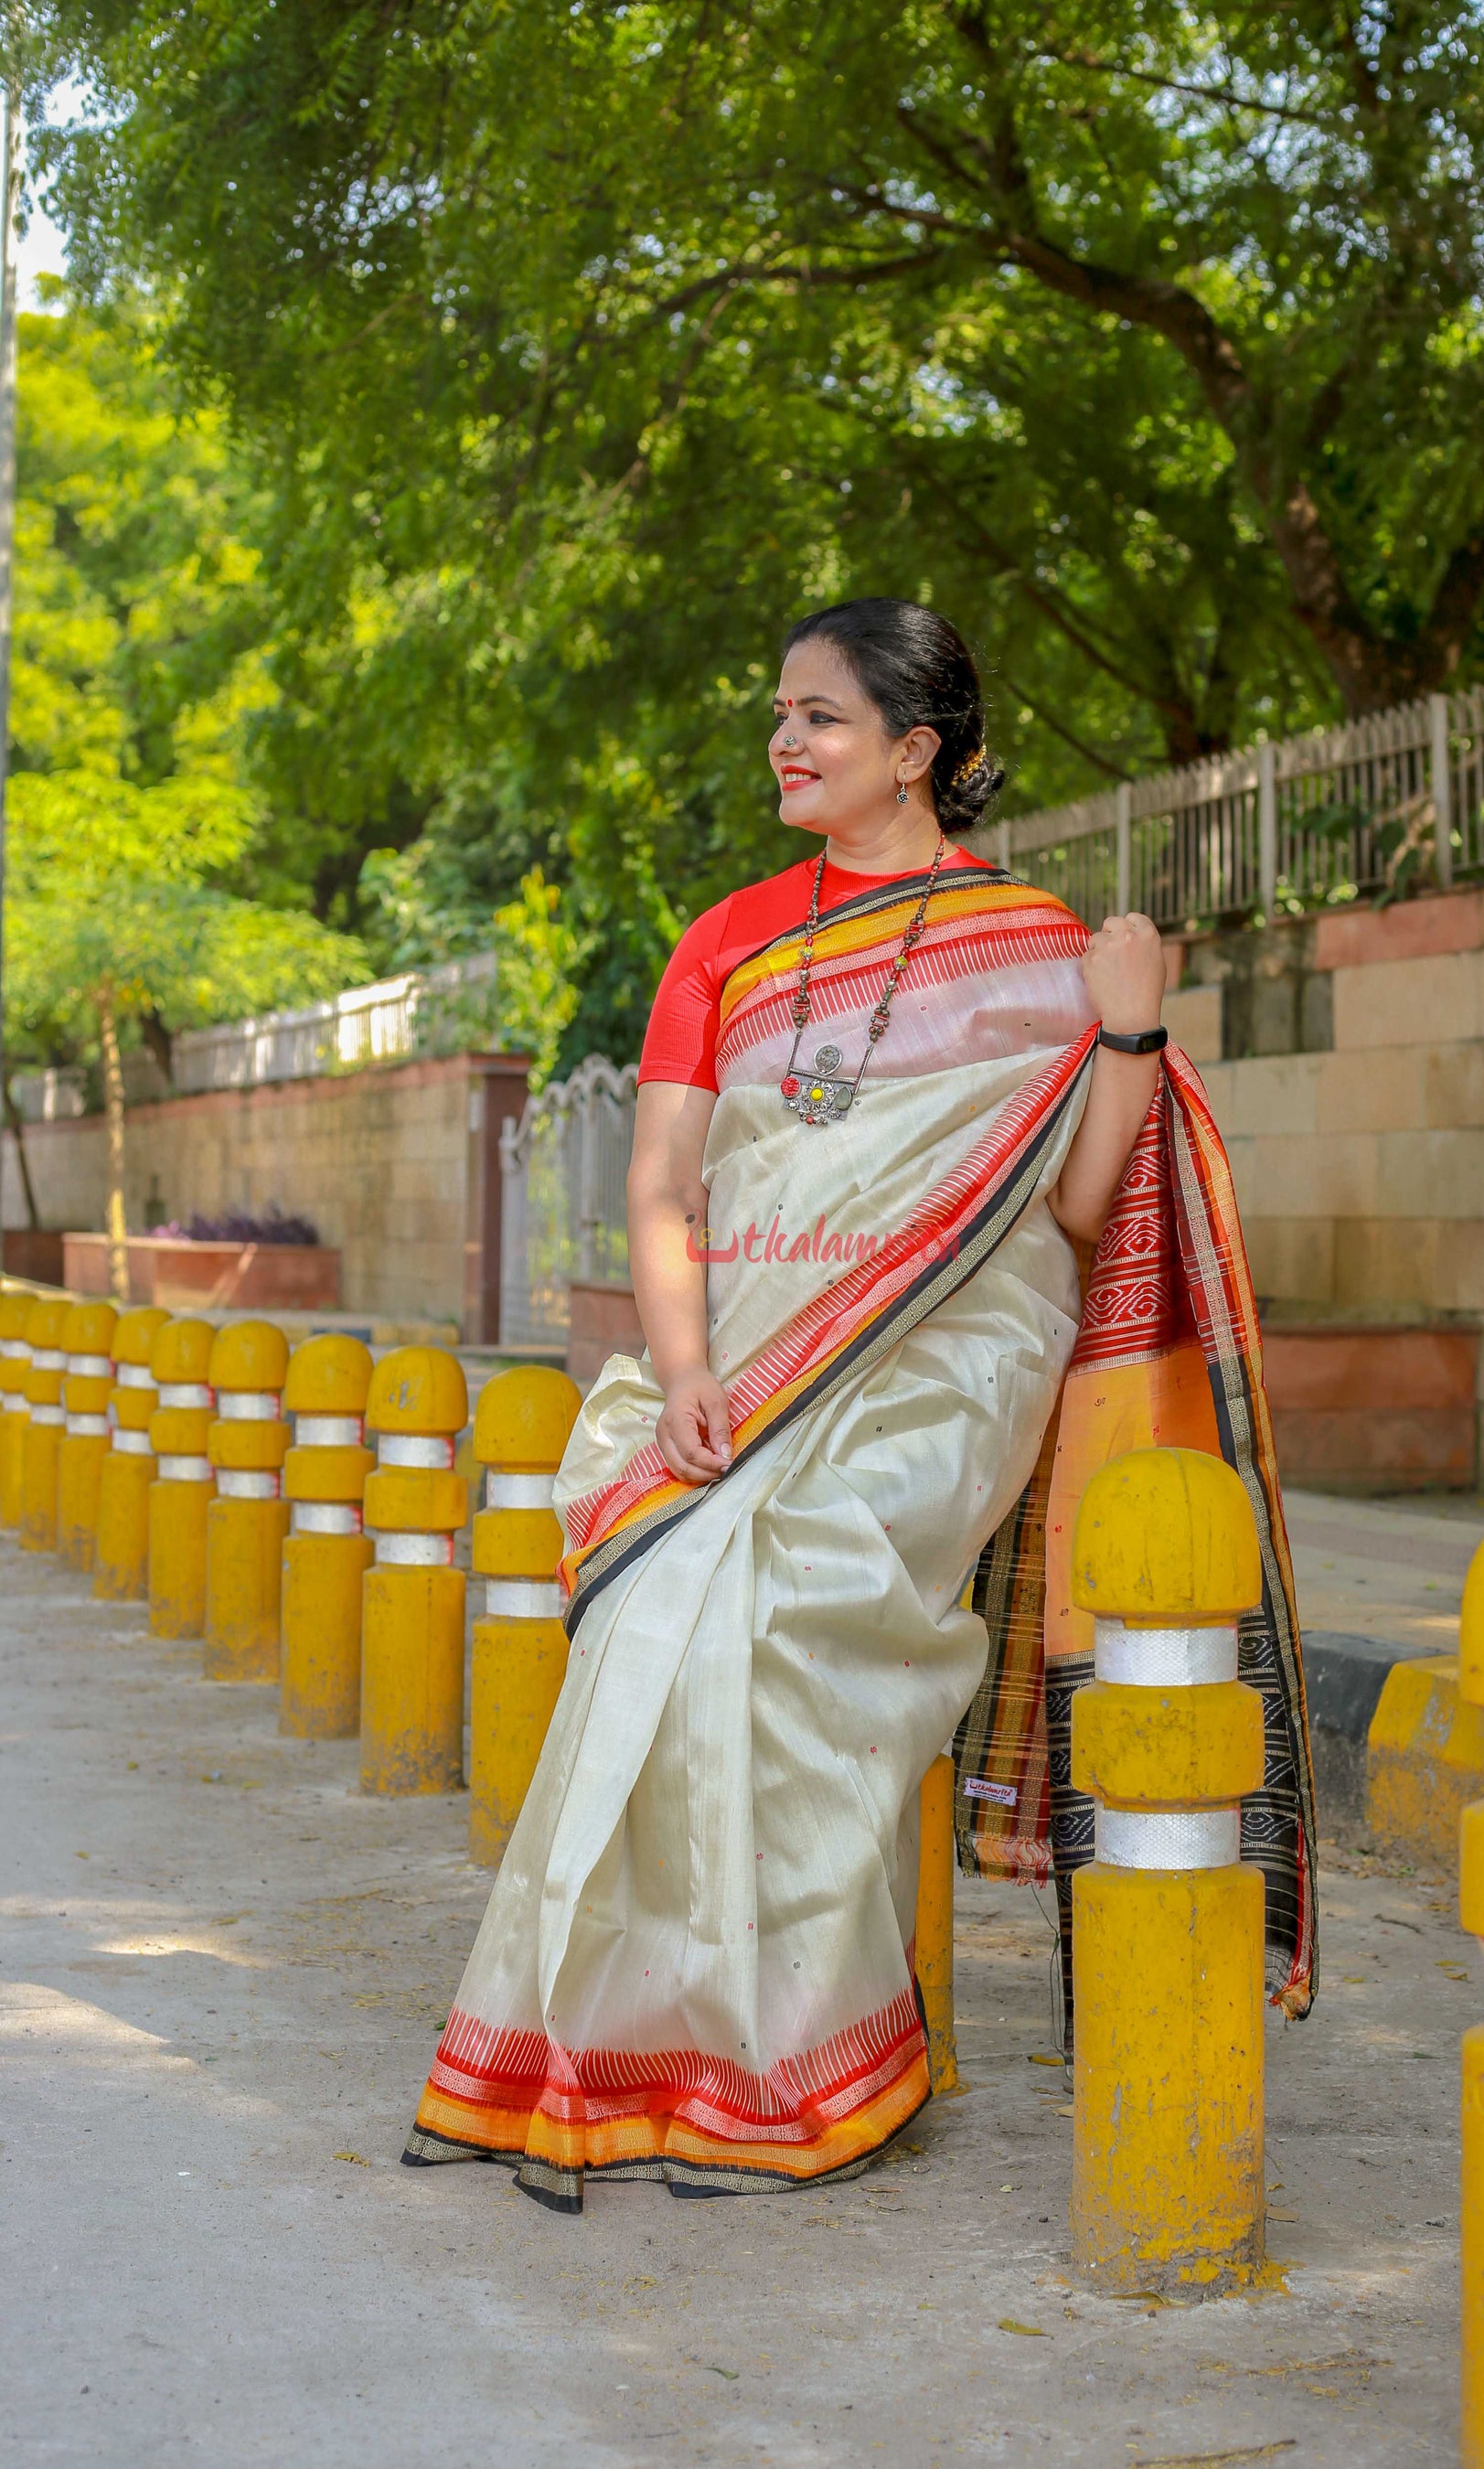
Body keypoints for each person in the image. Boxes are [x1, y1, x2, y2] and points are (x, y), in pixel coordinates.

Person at [406, 598, 1315, 2213]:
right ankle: (646, 2055)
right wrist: (684, 1377)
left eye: (820, 717)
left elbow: (1090, 1209)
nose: (783, 740)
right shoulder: (728, 937)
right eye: (779, 711)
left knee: (803, 1600)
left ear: (918, 750)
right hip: (747, 1349)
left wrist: (1128, 1027)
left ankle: (813, 2070)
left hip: (952, 1361)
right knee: (666, 1611)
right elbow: (668, 1182)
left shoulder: (1038, 943)